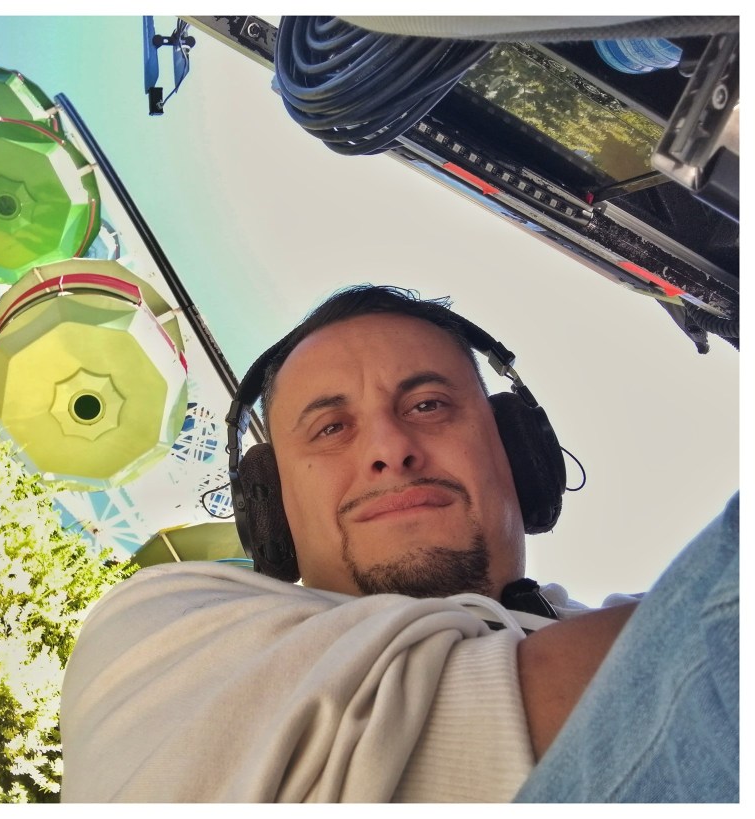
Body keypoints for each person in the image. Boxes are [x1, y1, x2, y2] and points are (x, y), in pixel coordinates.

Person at [59, 285, 738, 802]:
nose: (389, 448)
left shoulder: (630, 616)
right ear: (272, 505)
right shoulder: (154, 624)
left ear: (516, 451)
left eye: (428, 405)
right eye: (331, 428)